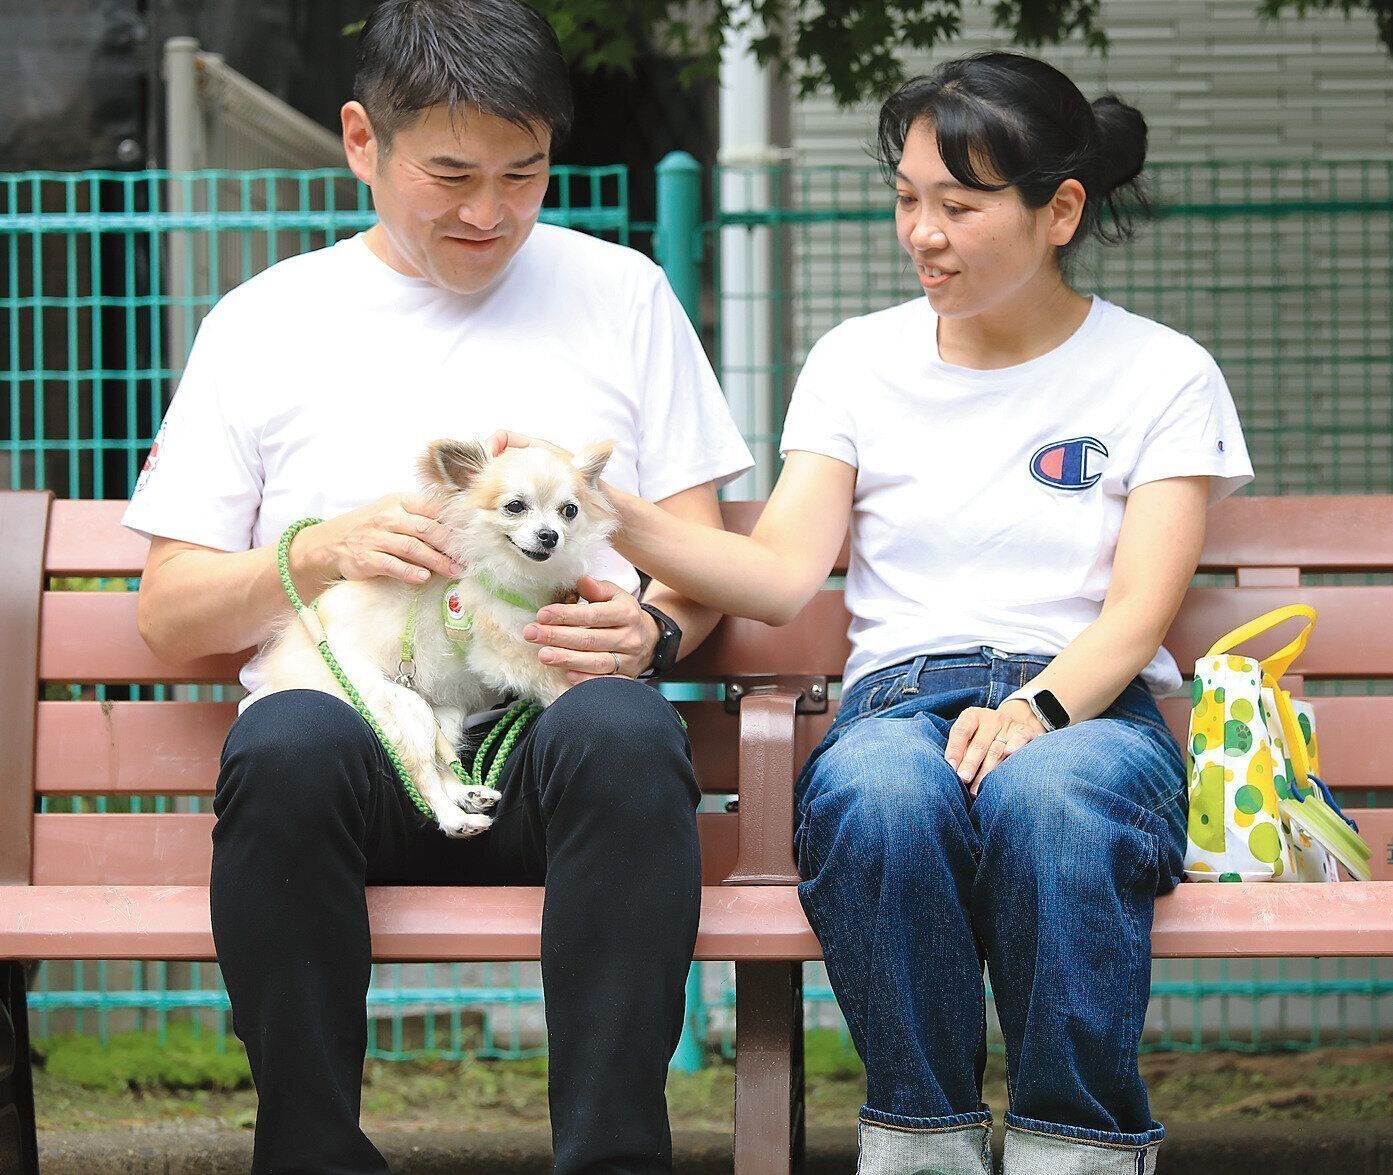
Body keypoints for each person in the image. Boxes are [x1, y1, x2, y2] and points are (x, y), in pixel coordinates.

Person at [573, 51, 1254, 1175]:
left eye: (959, 204)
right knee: (881, 795)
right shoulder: (855, 361)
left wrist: (1037, 707)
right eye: (906, 199)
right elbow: (783, 569)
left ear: (1059, 209)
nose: (920, 232)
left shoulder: (1159, 373)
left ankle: (1072, 1148)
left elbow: (1139, 609)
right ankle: (923, 1144)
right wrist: (612, 512)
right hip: (898, 701)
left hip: (1085, 706)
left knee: (1054, 796)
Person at [125, 1, 752, 1170]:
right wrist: (315, 550)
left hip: (545, 732)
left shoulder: (621, 294)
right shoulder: (265, 320)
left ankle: (613, 1157)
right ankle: (308, 1155)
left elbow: (699, 561)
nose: (491, 212)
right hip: (356, 741)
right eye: (452, 174)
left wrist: (653, 629)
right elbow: (167, 613)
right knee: (285, 743)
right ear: (363, 141)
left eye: (525, 174)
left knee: (623, 727)